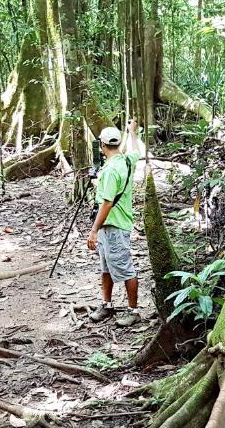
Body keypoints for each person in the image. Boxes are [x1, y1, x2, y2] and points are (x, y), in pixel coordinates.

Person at [88, 120, 144, 327]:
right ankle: (107, 304)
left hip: (114, 225)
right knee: (106, 267)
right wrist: (133, 132)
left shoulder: (111, 171)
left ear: (102, 145)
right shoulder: (127, 160)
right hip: (112, 225)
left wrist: (93, 230)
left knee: (125, 268)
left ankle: (134, 310)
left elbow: (107, 203)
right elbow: (137, 151)